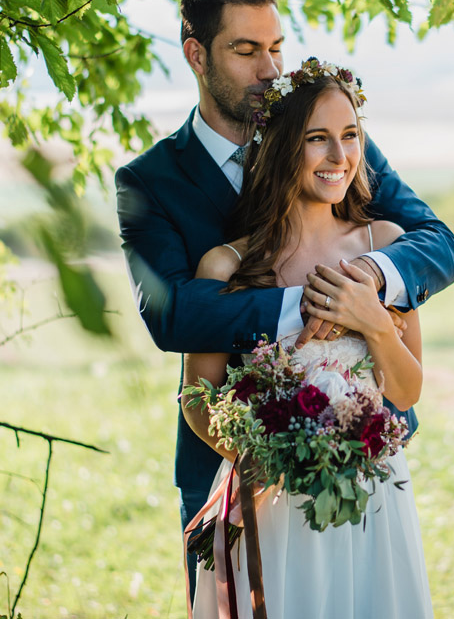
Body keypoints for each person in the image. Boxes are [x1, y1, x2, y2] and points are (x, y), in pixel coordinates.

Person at [114, 0, 454, 604]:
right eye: (246, 51)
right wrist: (310, 304)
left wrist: (371, 283)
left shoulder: (336, 142)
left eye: (275, 47)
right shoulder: (150, 182)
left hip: (367, 470)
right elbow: (172, 314)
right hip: (234, 471)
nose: (270, 70)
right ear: (197, 55)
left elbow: (437, 244)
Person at [183, 60, 433, 618]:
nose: (339, 157)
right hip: (271, 500)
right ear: (278, 147)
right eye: (317, 139)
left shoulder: (387, 246)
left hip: (372, 495)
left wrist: (371, 319)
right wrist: (270, 459)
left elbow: (410, 390)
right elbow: (197, 402)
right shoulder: (225, 266)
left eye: (350, 137)